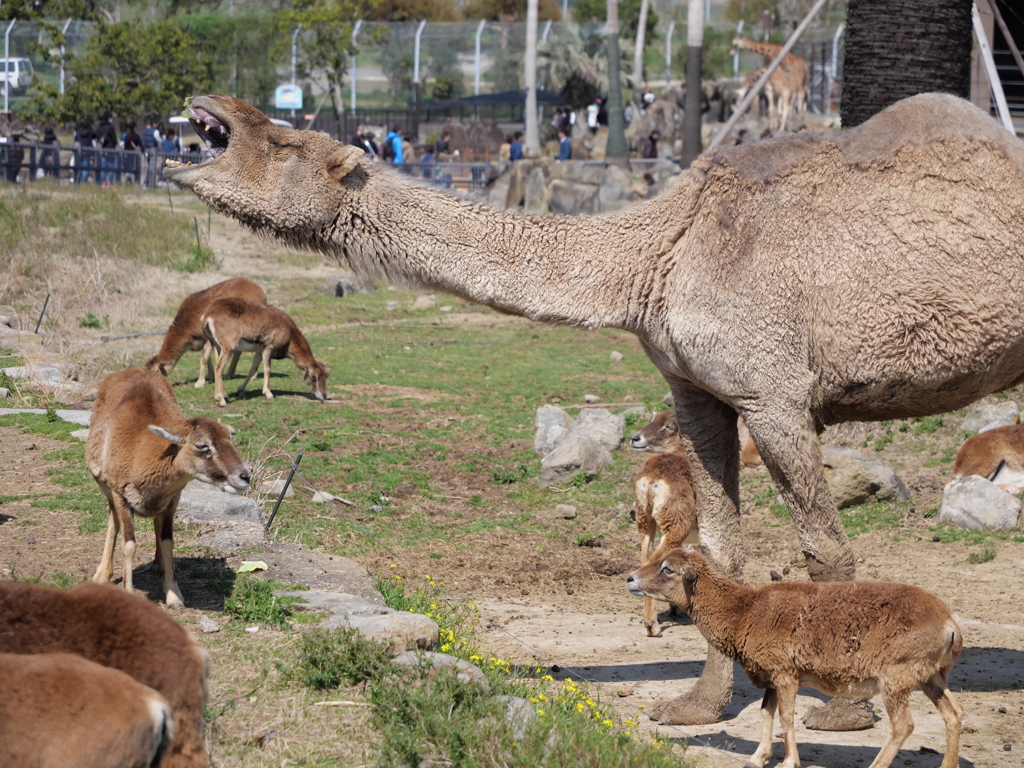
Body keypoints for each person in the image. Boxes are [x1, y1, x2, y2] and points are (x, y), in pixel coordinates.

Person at [94, 112, 118, 187]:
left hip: (102, 148)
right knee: (111, 165)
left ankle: (103, 182)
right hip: (111, 148)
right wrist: (116, 144)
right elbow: (114, 138)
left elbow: (96, 137)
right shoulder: (111, 127)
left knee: (103, 166)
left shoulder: (99, 127)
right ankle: (110, 182)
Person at [73, 118, 94, 184]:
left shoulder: (77, 133)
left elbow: (75, 141)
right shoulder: (91, 132)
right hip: (87, 151)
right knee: (85, 167)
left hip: (78, 151)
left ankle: (77, 181)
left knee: (78, 166)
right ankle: (84, 182)